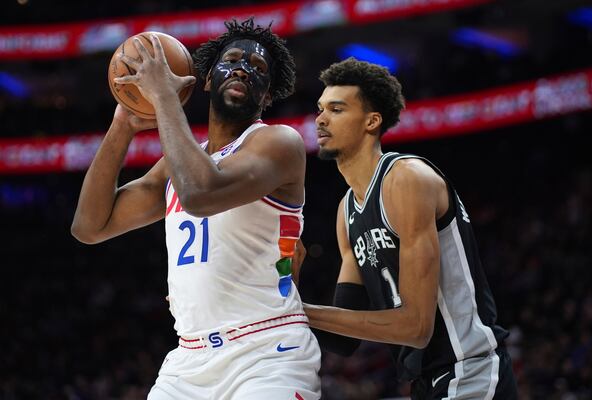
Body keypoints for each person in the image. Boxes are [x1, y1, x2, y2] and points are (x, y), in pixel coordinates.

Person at [71, 18, 320, 400]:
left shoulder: (279, 143)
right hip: (189, 359)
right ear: (204, 81)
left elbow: (200, 195)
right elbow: (90, 226)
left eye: (258, 68)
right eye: (233, 58)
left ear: (267, 96)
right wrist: (124, 123)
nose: (243, 67)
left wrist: (164, 99)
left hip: (267, 352)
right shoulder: (181, 162)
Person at [302, 57, 518, 399]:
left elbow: (416, 327)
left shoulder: (405, 179)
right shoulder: (346, 212)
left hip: (470, 371)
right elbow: (342, 340)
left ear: (372, 121)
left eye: (337, 109)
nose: (321, 119)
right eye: (320, 109)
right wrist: (286, 289)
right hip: (426, 384)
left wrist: (297, 311)